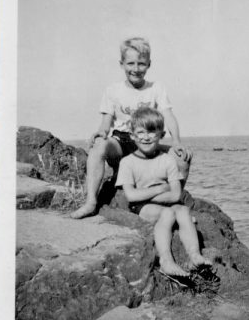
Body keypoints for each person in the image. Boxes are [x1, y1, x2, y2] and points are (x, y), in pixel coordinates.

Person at [69, 37, 191, 219]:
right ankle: (91, 202)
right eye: (131, 63)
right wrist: (101, 133)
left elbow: (169, 116)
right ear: (122, 64)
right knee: (98, 146)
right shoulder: (113, 90)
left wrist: (176, 142)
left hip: (147, 143)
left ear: (149, 64)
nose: (136, 69)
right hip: (121, 143)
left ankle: (171, 201)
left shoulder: (156, 88)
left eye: (141, 64)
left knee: (182, 157)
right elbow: (106, 122)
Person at [116, 106, 211, 280]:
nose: (146, 137)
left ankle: (195, 255)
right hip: (141, 207)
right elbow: (131, 196)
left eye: (152, 132)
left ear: (162, 134)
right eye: (141, 132)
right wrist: (159, 189)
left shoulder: (167, 160)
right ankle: (166, 261)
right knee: (167, 213)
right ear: (132, 136)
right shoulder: (128, 162)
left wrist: (146, 192)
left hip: (165, 202)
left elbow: (175, 195)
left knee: (183, 211)